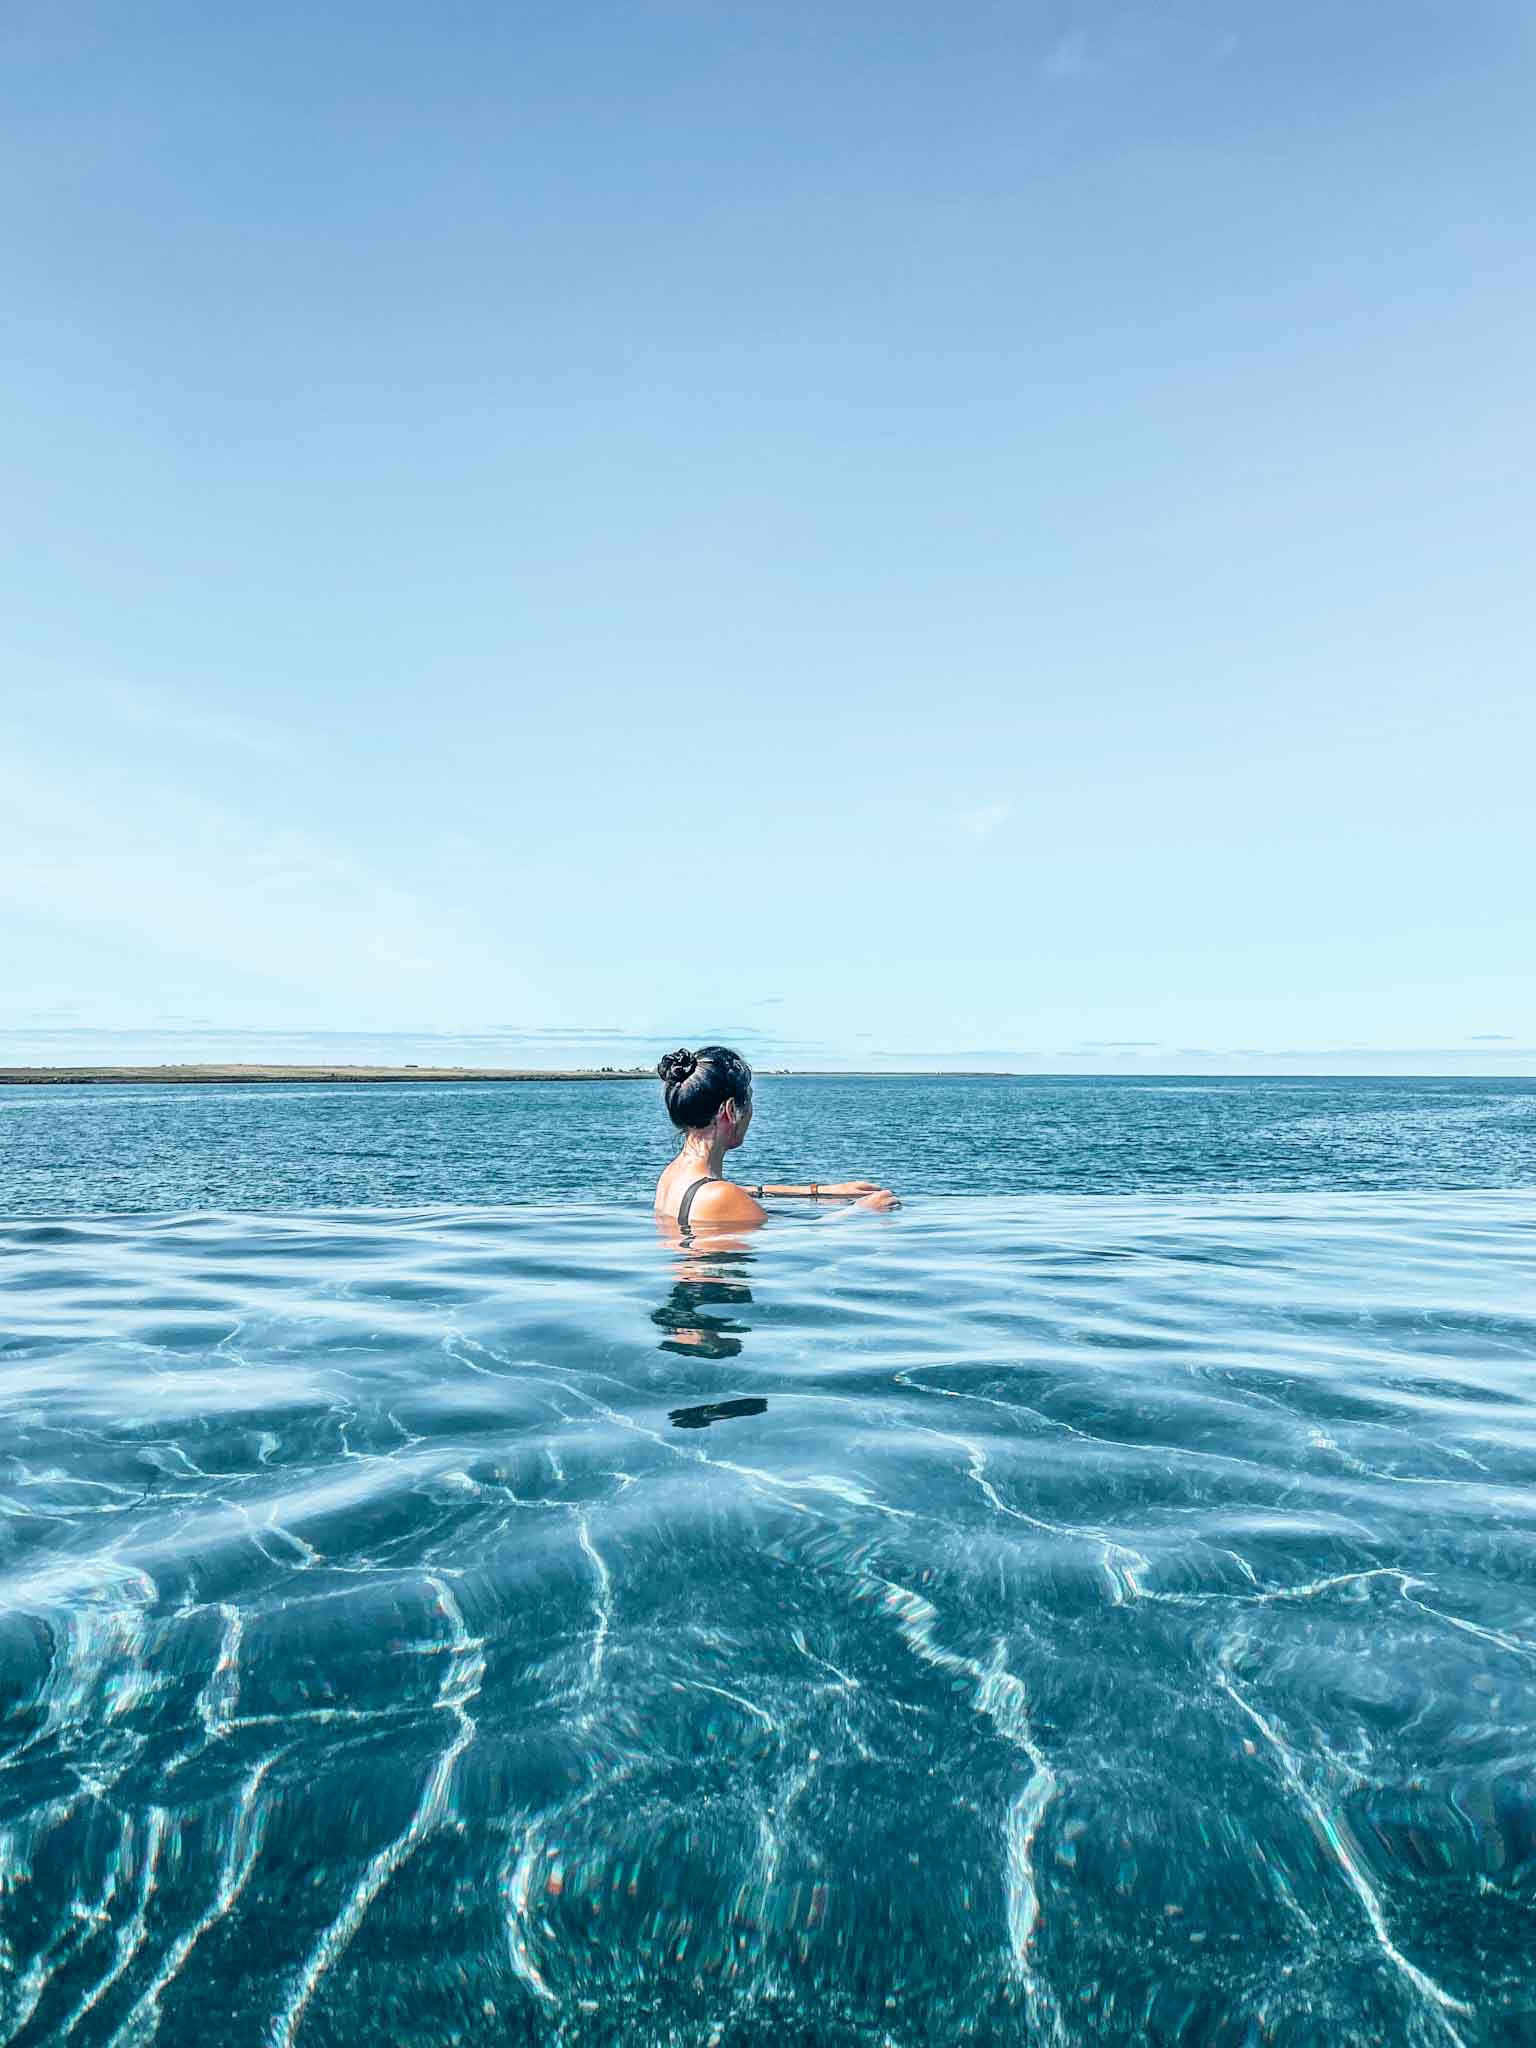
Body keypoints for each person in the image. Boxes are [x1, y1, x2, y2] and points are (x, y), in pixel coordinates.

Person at [653, 1046, 899, 1229]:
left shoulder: (673, 1175)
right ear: (729, 1111)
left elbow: (742, 1192)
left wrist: (820, 1191)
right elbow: (803, 1235)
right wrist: (859, 1211)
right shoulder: (719, 1196)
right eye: (749, 1100)